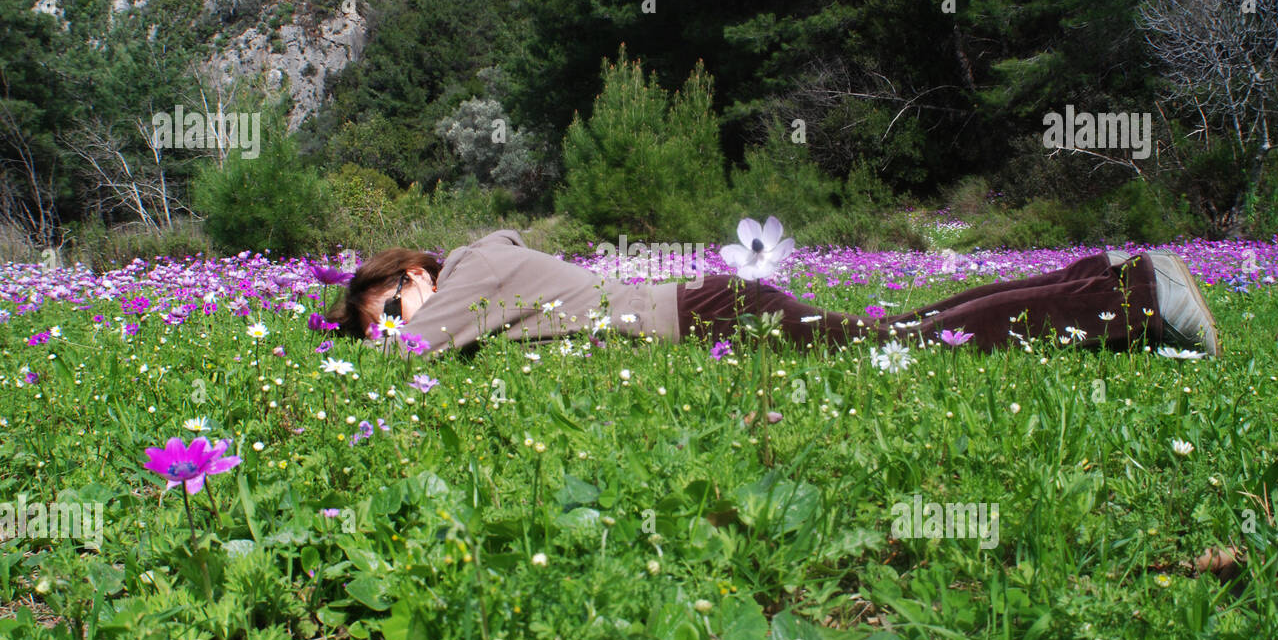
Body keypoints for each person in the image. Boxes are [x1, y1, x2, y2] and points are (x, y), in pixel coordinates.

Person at [326, 229, 1221, 358]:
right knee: (904, 328)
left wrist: (376, 347)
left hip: (710, 316)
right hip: (712, 309)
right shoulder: (477, 286)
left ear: (413, 278)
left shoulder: (472, 267)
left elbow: (414, 353)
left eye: (390, 308)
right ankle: (1106, 281)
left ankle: (1132, 303)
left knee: (895, 346)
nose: (395, 328)